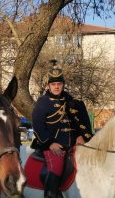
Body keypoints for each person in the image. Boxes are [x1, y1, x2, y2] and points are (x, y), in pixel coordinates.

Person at [31, 60, 93, 198]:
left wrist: (81, 135)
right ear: (48, 86)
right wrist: (50, 143)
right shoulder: (43, 102)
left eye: (59, 84)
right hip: (53, 146)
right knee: (56, 168)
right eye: (53, 84)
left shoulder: (71, 101)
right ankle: (50, 195)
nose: (57, 87)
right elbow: (38, 126)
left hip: (74, 144)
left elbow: (78, 123)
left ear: (63, 85)